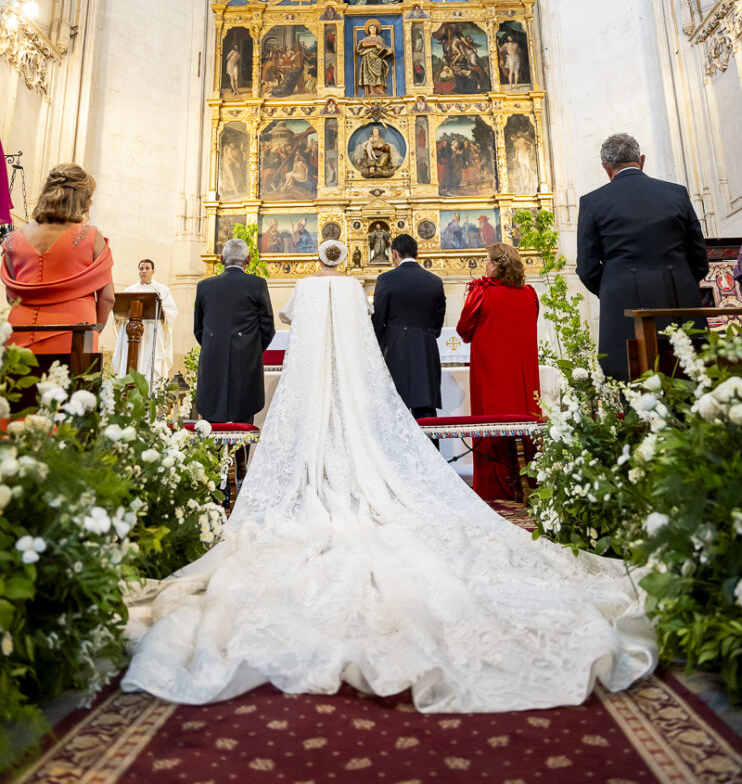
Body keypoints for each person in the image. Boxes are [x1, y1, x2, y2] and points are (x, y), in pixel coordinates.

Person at [122, 240, 656, 711]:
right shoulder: (355, 288)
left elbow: (285, 321)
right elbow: (365, 326)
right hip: (356, 385)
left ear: (316, 259)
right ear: (342, 258)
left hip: (313, 389)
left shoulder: (305, 290)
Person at [576, 133, 709, 381]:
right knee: (689, 381)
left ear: (606, 167)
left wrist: (613, 287)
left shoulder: (593, 202)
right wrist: (681, 280)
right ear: (642, 160)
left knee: (633, 383)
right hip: (679, 301)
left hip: (623, 307)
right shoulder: (677, 193)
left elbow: (586, 267)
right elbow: (699, 256)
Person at [0, 164, 114, 371]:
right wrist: (94, 330)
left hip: (19, 329)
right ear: (82, 198)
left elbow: (11, 295)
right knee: (70, 398)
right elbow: (107, 297)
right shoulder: (90, 237)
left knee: (21, 397)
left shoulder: (14, 238)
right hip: (74, 333)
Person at [456, 243, 541, 500]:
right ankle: (529, 481)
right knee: (525, 421)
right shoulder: (530, 294)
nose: (484, 266)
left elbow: (463, 329)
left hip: (491, 371)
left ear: (494, 264)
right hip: (523, 374)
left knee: (491, 421)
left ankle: (496, 485)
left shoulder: (482, 292)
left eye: (486, 261)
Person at [193, 238, 275, 423]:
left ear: (221, 260)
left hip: (213, 355)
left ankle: (213, 451)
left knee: (211, 415)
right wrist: (251, 348)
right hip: (246, 358)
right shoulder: (257, 284)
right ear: (248, 260)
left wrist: (214, 343)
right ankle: (241, 452)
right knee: (244, 414)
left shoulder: (204, 286)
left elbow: (198, 328)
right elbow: (268, 327)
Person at [372, 233, 446, 423]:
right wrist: (426, 335)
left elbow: (379, 318)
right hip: (426, 350)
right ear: (417, 253)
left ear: (394, 253)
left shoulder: (386, 280)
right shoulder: (435, 281)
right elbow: (438, 321)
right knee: (426, 410)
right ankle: (431, 451)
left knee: (396, 410)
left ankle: (397, 454)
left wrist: (377, 347)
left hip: (396, 351)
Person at [111, 259, 178, 384]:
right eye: (141, 268)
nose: (143, 271)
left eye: (147, 268)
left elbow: (172, 312)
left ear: (153, 271)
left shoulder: (162, 290)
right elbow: (119, 311)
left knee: (149, 365)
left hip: (151, 334)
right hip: (131, 335)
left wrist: (162, 313)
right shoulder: (129, 291)